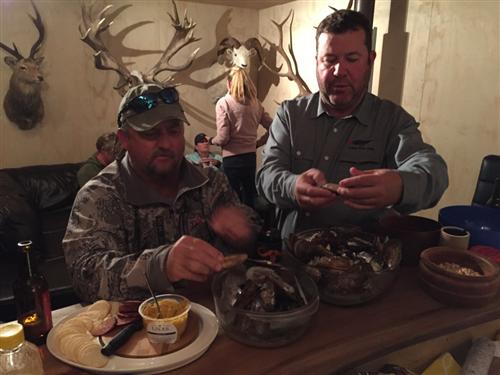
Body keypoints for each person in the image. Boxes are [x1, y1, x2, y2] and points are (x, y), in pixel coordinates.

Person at [256, 9, 449, 239]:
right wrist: (291, 186)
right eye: (329, 60)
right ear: (317, 62)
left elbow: (434, 171)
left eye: (352, 59)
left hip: (362, 261)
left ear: (370, 60)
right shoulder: (290, 114)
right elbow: (266, 176)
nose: (339, 71)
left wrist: (398, 185)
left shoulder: (392, 120)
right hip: (293, 252)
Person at [63, 83, 258, 303]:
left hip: (214, 322)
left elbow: (246, 237)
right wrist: (160, 266)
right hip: (135, 332)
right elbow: (85, 274)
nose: (166, 143)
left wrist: (245, 231)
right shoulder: (99, 195)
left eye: (174, 130)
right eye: (150, 133)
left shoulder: (211, 181)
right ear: (124, 139)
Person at [210, 67, 273, 208]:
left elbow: (223, 138)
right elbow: (274, 127)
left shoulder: (224, 103)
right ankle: (253, 228)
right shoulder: (256, 103)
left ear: (229, 83)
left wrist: (210, 140)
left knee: (232, 202)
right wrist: (258, 143)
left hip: (231, 159)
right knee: (249, 200)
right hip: (250, 158)